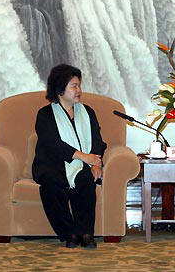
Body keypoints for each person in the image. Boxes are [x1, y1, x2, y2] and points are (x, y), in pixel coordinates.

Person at [32, 64, 106, 248]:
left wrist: (96, 163)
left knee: (86, 180)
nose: (79, 90)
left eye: (79, 85)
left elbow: (97, 141)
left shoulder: (88, 112)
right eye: (74, 86)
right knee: (51, 184)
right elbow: (53, 145)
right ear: (59, 90)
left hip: (83, 165)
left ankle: (86, 233)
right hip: (52, 164)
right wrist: (85, 157)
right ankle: (70, 232)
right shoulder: (45, 115)